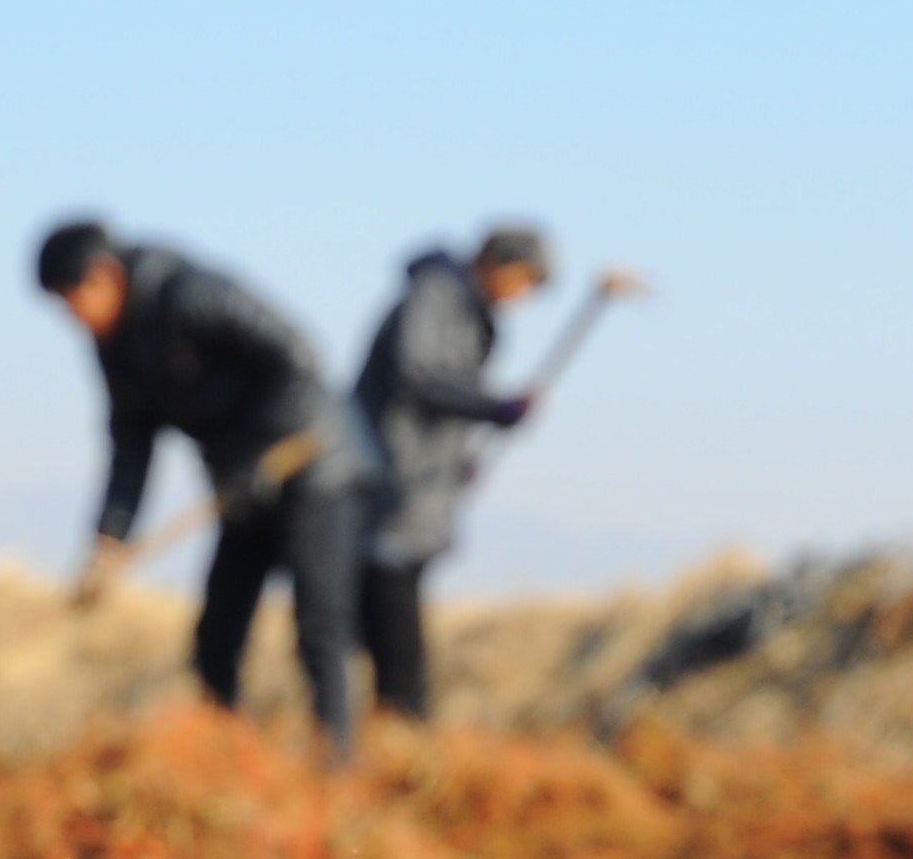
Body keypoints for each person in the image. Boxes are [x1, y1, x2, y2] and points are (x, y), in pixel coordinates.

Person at [37, 216, 370, 756]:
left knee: (318, 621)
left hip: (311, 464)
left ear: (103, 277)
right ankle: (225, 753)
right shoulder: (115, 348)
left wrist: (265, 450)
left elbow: (298, 355)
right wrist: (109, 540)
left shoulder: (191, 293)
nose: (71, 317)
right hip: (241, 485)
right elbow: (131, 446)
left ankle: (336, 762)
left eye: (71, 299)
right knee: (216, 633)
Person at [352, 223, 548, 723]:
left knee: (395, 606)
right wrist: (490, 406)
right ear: (501, 266)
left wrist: (461, 459)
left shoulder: (473, 315)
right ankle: (398, 719)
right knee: (385, 607)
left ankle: (397, 717)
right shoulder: (436, 297)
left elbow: (449, 399)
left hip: (423, 484)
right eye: (524, 282)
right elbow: (418, 374)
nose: (522, 297)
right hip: (390, 480)